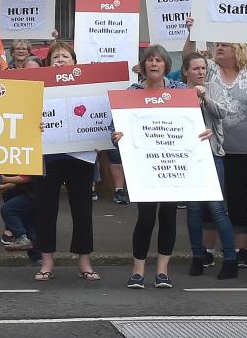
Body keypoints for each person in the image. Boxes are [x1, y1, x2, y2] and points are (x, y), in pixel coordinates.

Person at [183, 17, 247, 268]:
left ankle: (242, 251)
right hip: (212, 148)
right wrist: (191, 32)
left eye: (225, 45)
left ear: (238, 50)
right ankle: (207, 249)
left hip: (246, 149)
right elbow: (189, 57)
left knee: (239, 200)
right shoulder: (209, 68)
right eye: (218, 44)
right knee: (211, 199)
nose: (219, 48)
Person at [112, 45, 209, 289]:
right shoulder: (132, 91)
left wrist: (203, 132)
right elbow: (111, 124)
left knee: (168, 216)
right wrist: (116, 133)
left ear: (166, 65)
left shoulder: (178, 91)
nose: (154, 64)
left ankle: (163, 271)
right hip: (144, 165)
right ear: (144, 66)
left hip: (173, 163)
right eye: (150, 60)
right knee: (145, 218)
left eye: (159, 60)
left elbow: (193, 122)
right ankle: (138, 271)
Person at [31, 41, 100, 282]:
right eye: (55, 57)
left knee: (83, 210)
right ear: (48, 63)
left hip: (80, 155)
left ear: (74, 62)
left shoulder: (89, 86)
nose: (60, 60)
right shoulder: (36, 86)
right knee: (45, 210)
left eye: (65, 57)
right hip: (48, 156)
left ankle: (84, 260)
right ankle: (47, 259)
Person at [180, 52, 239, 280]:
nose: (200, 73)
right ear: (186, 71)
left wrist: (205, 99)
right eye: (196, 69)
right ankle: (198, 257)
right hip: (189, 159)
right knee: (193, 211)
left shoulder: (213, 89)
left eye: (203, 69)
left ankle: (231, 260)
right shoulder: (178, 92)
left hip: (212, 156)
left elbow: (222, 113)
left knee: (217, 209)